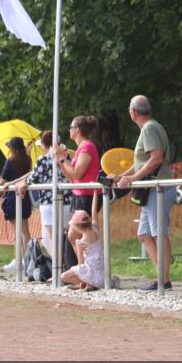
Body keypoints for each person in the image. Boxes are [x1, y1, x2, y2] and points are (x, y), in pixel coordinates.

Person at [113, 96, 176, 291]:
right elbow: (141, 161)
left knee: (159, 234)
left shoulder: (149, 128)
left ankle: (164, 280)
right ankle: (160, 276)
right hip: (151, 190)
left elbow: (156, 159)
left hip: (158, 189)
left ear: (133, 112)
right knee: (144, 234)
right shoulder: (150, 128)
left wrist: (133, 179)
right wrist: (122, 176)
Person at [53, 115, 100, 269]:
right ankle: (82, 270)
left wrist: (62, 159)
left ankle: (84, 271)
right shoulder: (82, 148)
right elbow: (70, 176)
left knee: (77, 236)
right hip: (79, 195)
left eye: (71, 127)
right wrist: (61, 160)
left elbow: (77, 173)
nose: (69, 130)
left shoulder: (87, 147)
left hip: (86, 196)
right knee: (74, 237)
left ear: (77, 130)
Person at [16, 130, 63, 254]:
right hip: (66, 200)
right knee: (63, 237)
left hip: (49, 201)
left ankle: (57, 267)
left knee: (51, 239)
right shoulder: (65, 156)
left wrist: (23, 184)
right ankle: (65, 266)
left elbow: (34, 176)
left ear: (43, 144)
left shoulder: (43, 159)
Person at [0, 136, 33, 272]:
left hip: (12, 198)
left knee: (17, 232)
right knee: (25, 232)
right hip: (24, 198)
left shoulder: (10, 161)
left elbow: (3, 180)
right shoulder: (28, 160)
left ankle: (17, 260)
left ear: (12, 148)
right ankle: (28, 259)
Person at [61, 208, 104, 291]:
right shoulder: (95, 228)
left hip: (93, 277)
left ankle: (88, 283)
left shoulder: (81, 242)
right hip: (101, 275)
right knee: (73, 270)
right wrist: (95, 194)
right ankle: (86, 283)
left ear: (77, 226)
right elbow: (94, 210)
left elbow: (81, 265)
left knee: (64, 276)